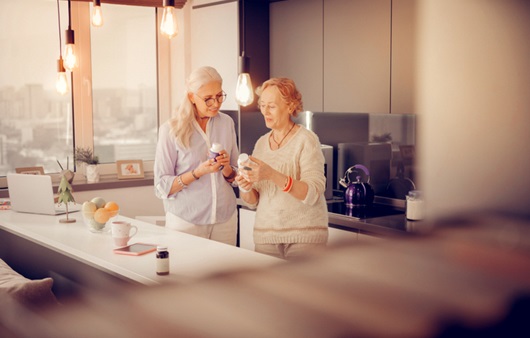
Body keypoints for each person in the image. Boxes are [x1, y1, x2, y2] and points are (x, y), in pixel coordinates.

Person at [236, 77, 328, 259]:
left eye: (271, 106)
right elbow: (253, 201)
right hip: (265, 237)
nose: (265, 111)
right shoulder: (261, 144)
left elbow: (313, 192)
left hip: (305, 237)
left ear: (290, 106)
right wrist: (244, 186)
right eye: (262, 105)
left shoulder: (306, 140)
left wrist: (271, 174)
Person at [154, 66, 239, 245]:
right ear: (192, 97)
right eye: (208, 99)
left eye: (219, 96)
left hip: (225, 219)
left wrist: (226, 168)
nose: (216, 103)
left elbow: (235, 176)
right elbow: (162, 185)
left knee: (228, 272)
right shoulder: (170, 130)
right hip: (186, 222)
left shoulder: (227, 123)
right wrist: (197, 173)